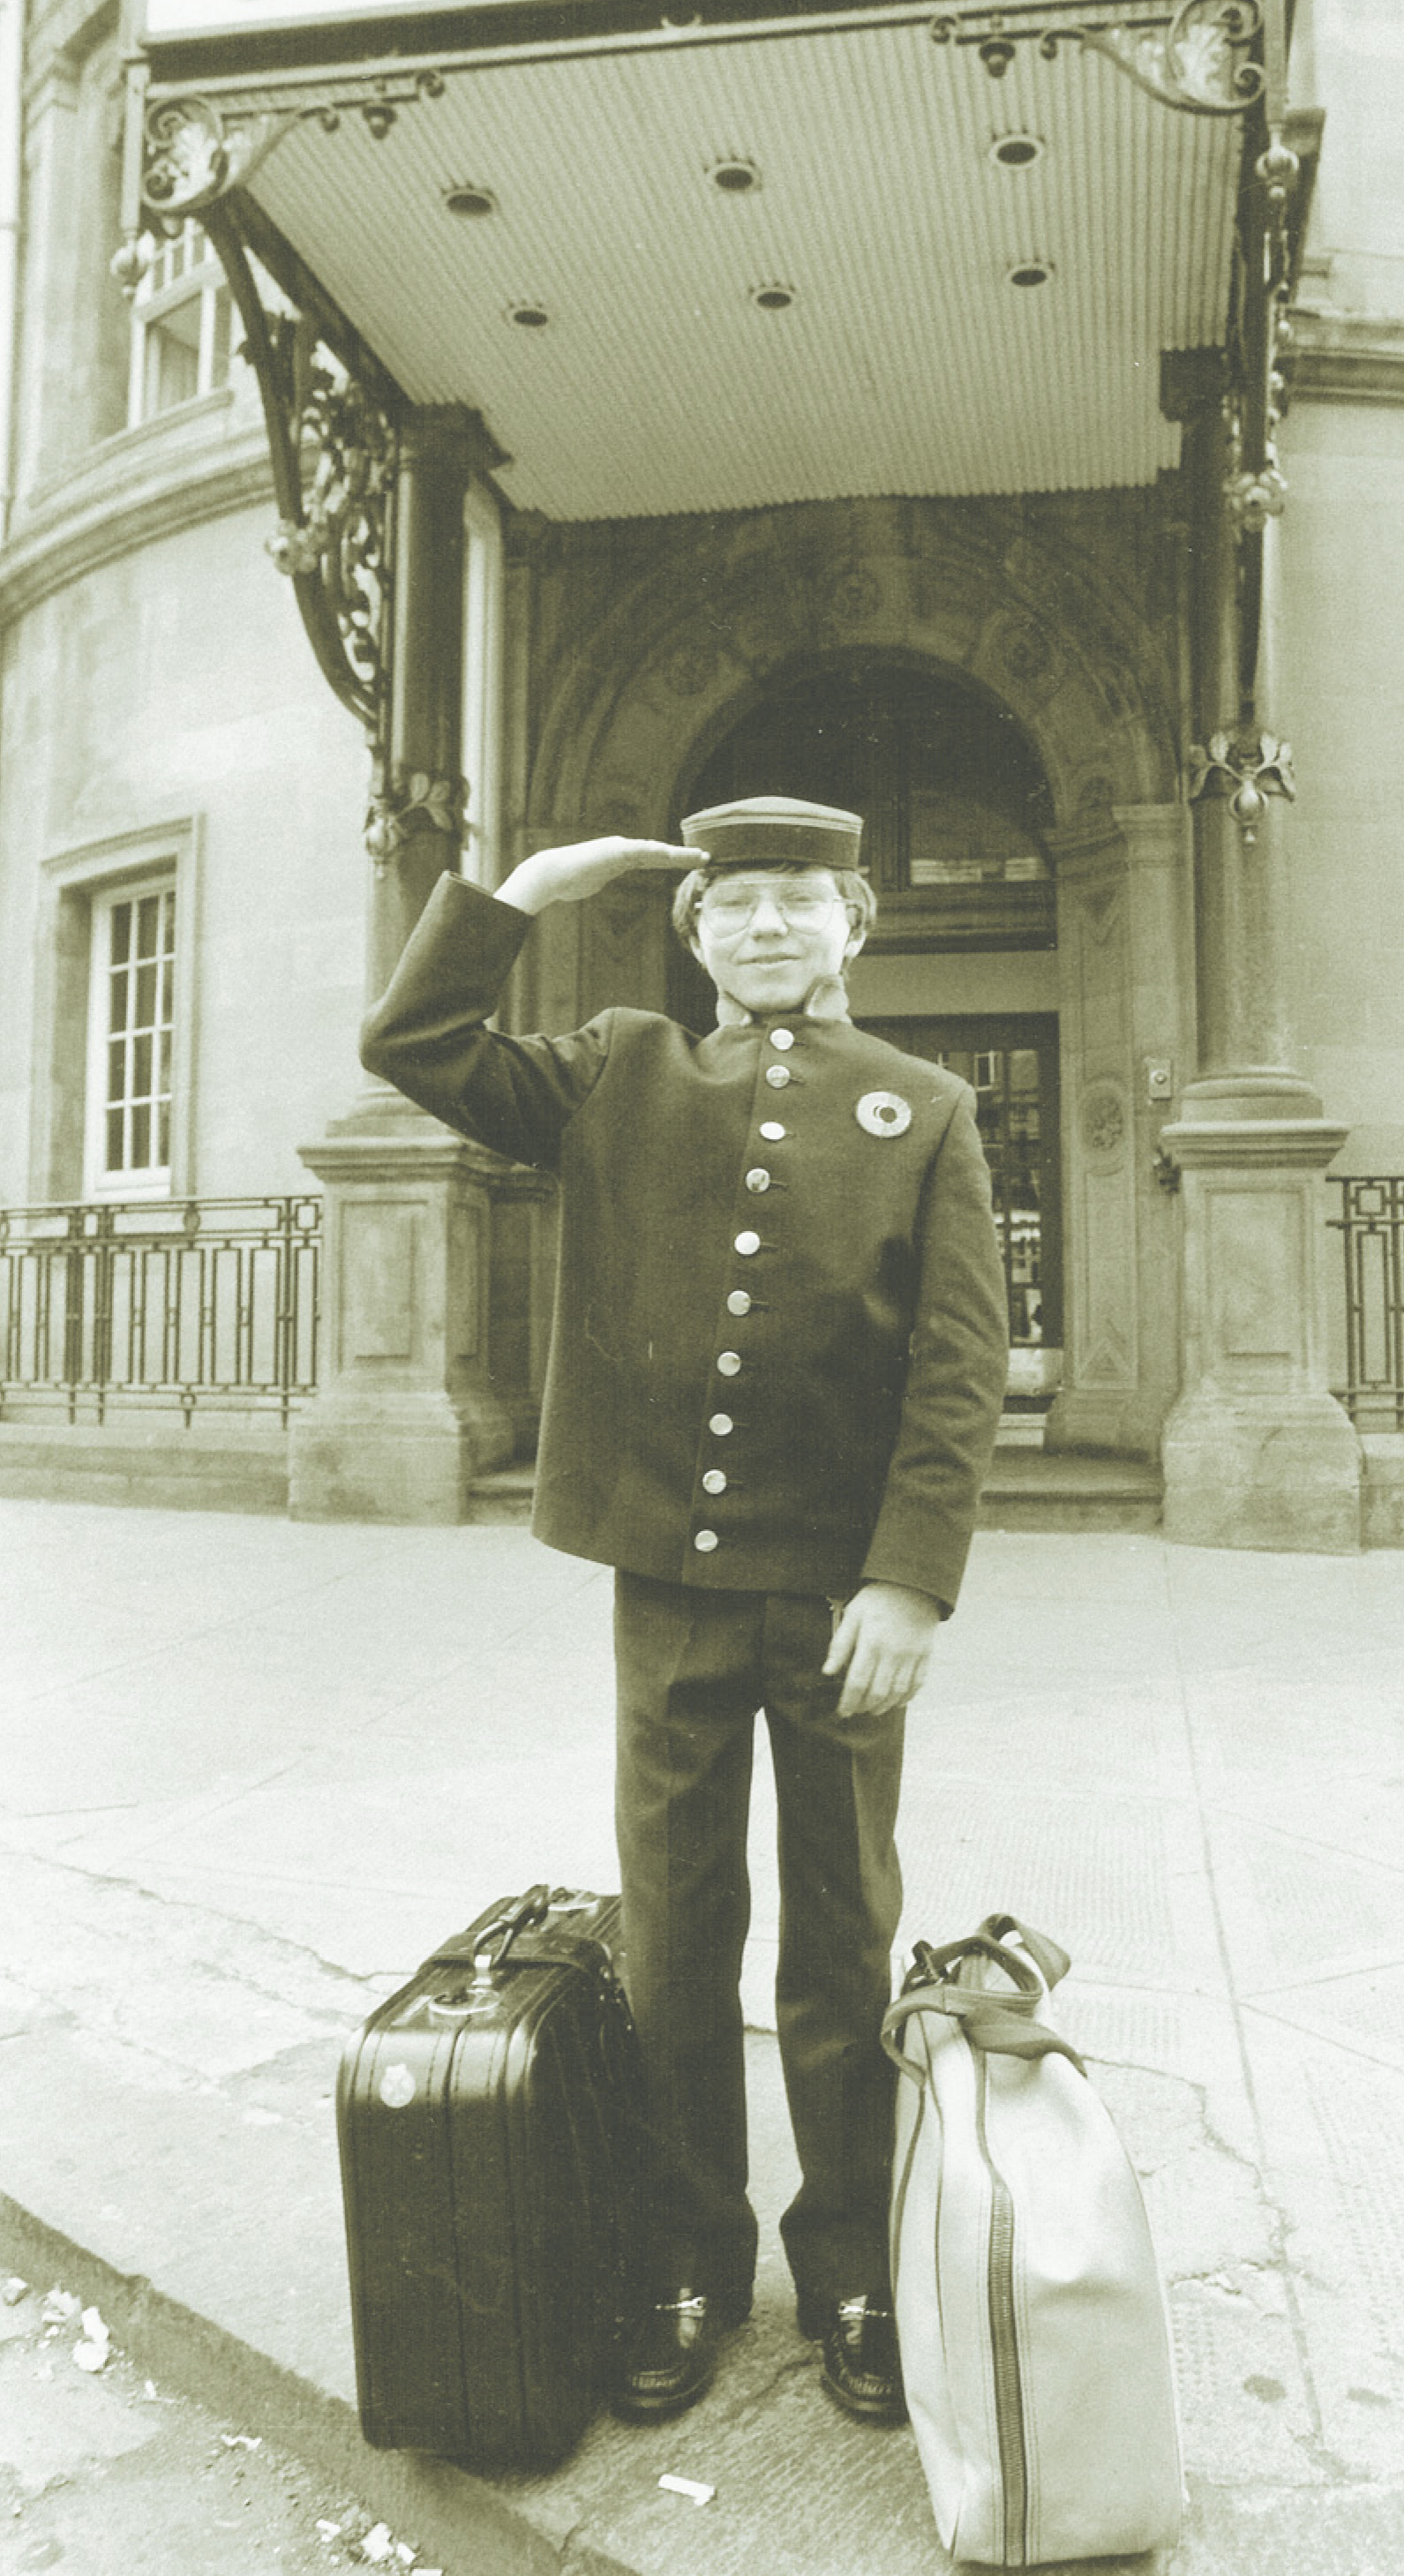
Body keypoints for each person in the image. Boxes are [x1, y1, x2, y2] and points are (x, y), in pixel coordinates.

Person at [359, 794, 1009, 2430]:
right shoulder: (618, 1068)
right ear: (692, 933)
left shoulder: (922, 1107)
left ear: (857, 923)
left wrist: (912, 1575)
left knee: (842, 1927)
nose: (768, 927)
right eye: (735, 904)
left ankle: (851, 2262)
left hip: (841, 1595)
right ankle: (684, 2258)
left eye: (801, 900)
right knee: (676, 1922)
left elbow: (958, 1366)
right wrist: (517, 894)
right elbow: (417, 1044)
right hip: (671, 1583)